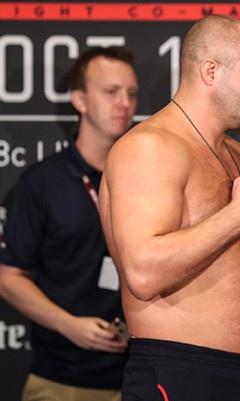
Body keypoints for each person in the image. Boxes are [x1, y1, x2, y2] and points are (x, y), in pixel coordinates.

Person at [98, 15, 240, 401]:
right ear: (210, 71)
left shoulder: (239, 156)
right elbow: (143, 273)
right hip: (180, 373)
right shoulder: (150, 148)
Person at [0, 46, 138, 401]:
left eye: (131, 93)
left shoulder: (148, 177)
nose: (124, 103)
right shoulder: (43, 181)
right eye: (111, 92)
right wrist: (69, 325)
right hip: (63, 379)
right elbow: (8, 276)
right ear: (79, 100)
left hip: (141, 377)